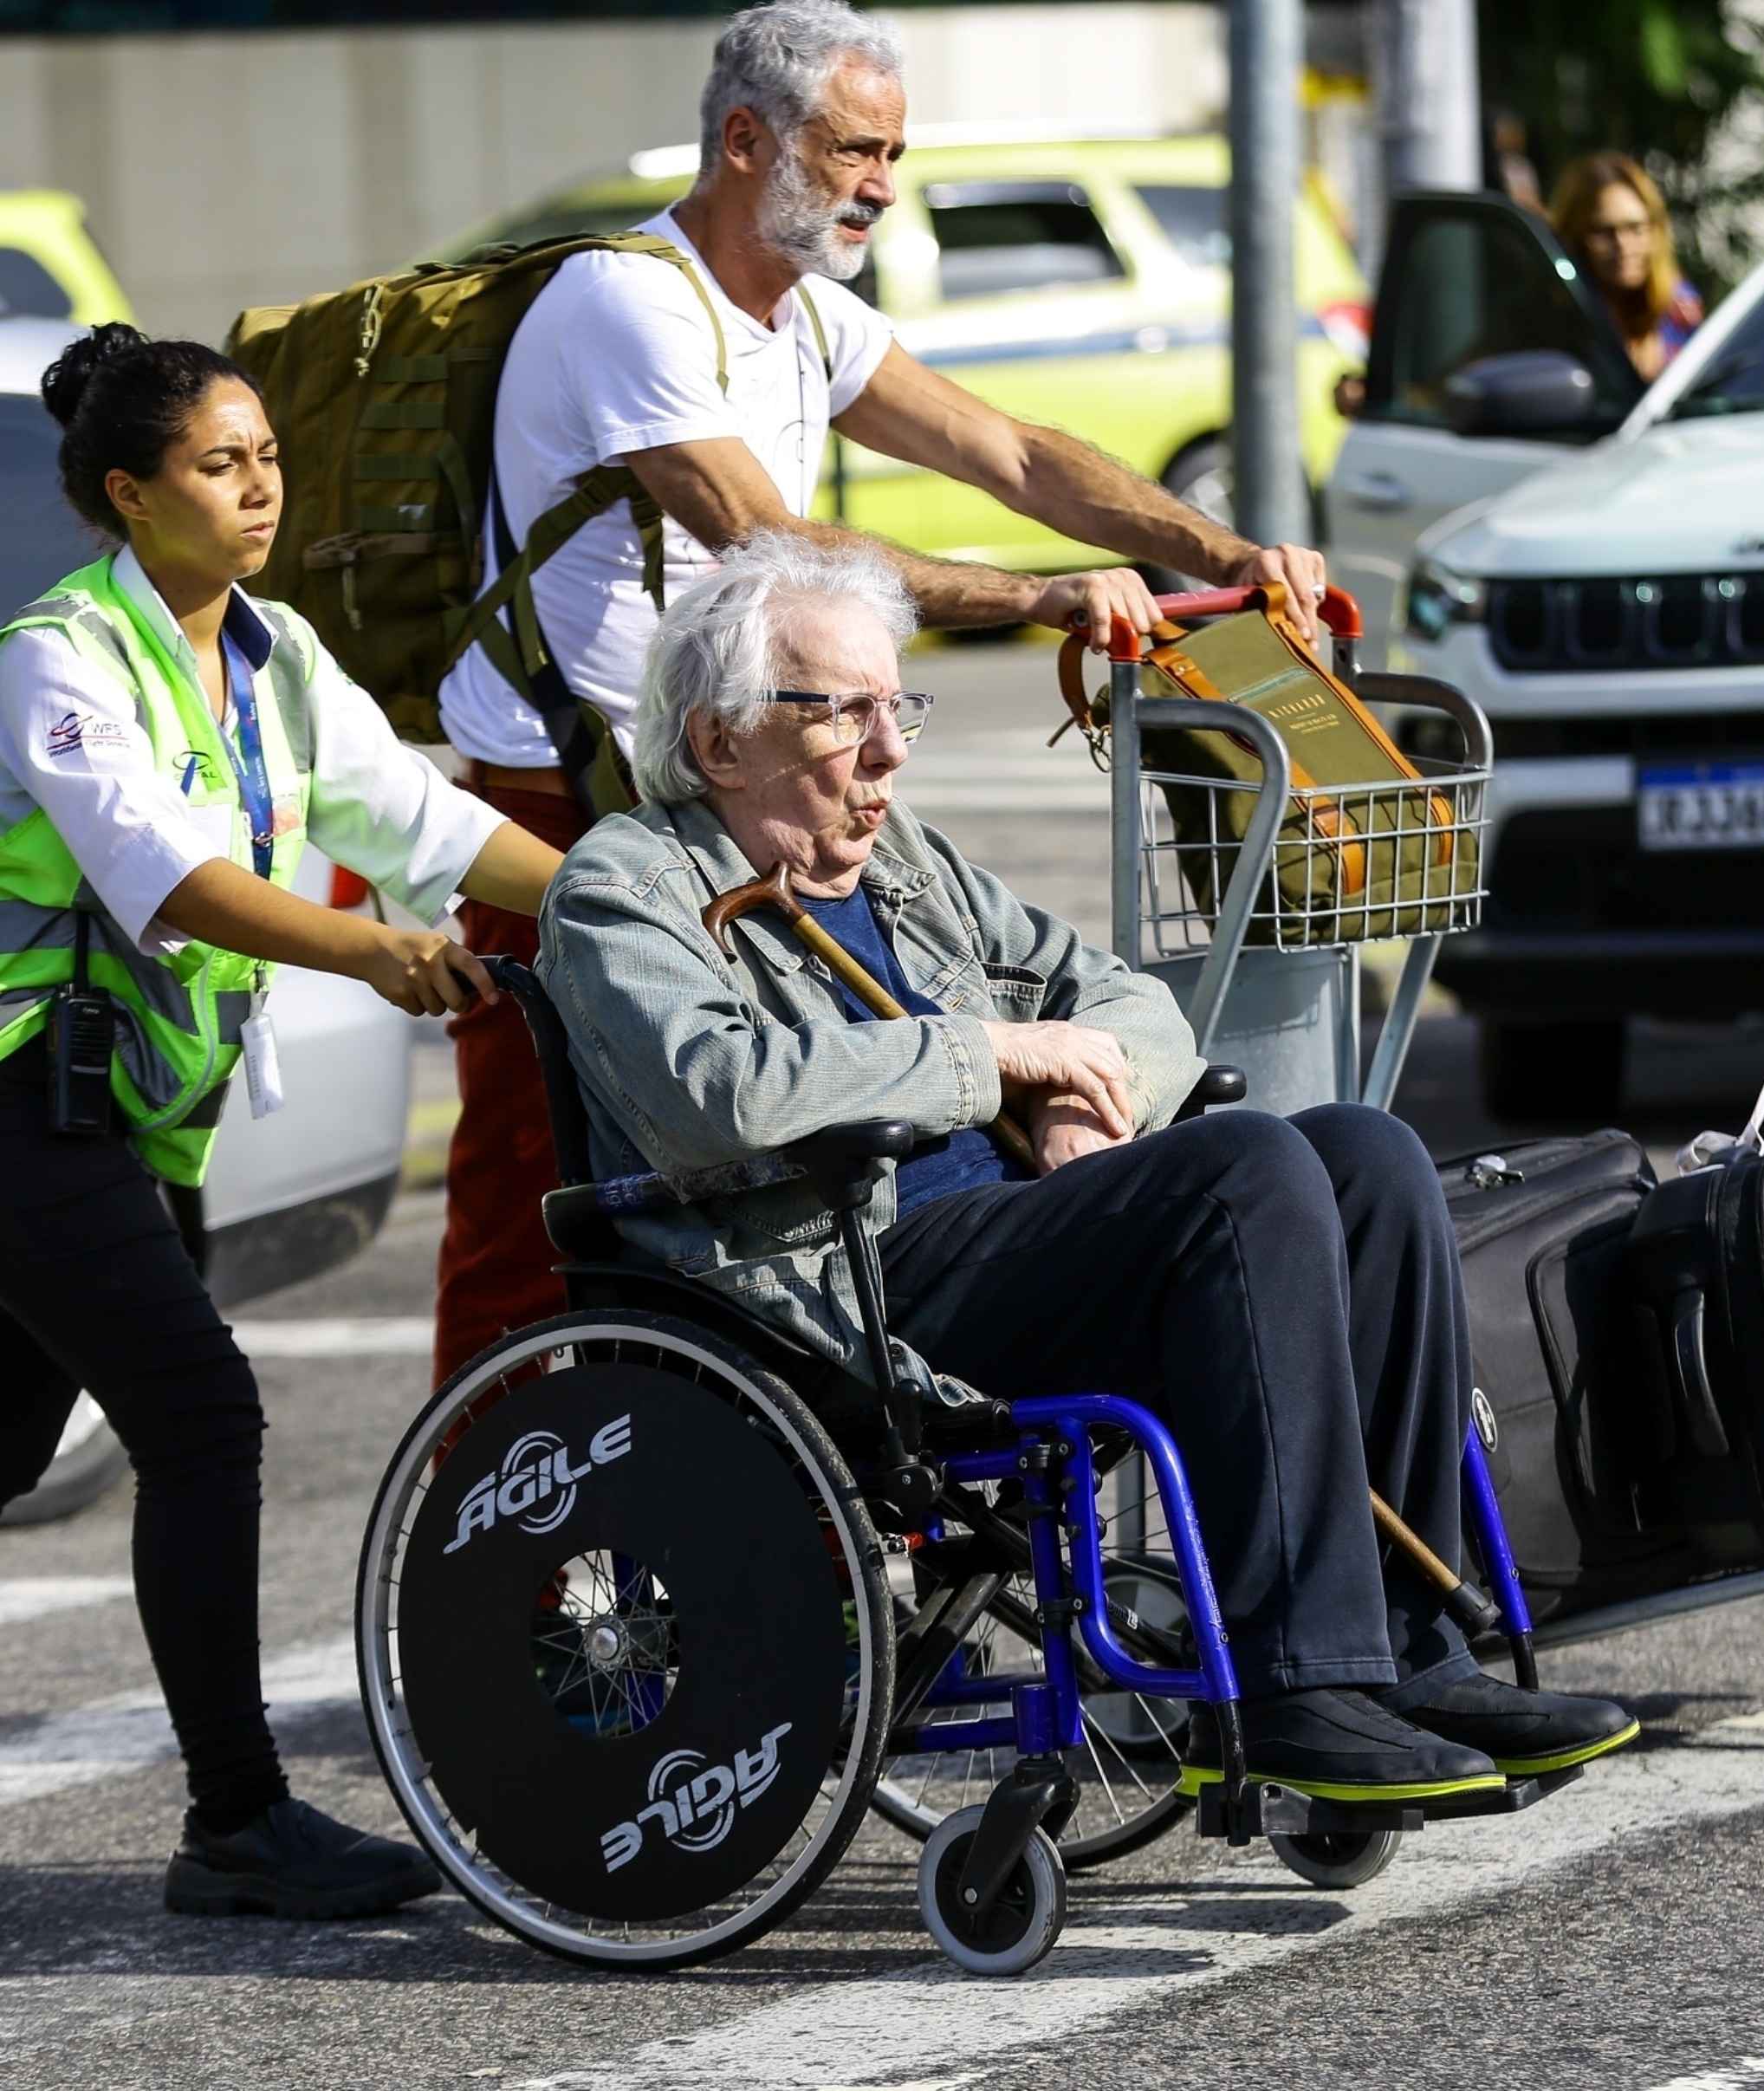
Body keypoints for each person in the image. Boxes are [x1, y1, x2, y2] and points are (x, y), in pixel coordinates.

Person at [537, 534, 1639, 1797]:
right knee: (1241, 1173)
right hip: (843, 1290)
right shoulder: (625, 886)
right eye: (847, 713)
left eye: (902, 707)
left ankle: (1404, 1649)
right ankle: (1296, 1685)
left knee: (1363, 1156)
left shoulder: (905, 866)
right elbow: (718, 1095)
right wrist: (992, 1057)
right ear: (723, 739)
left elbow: (1129, 1005)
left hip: (1019, 1237)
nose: (892, 750)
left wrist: (1082, 1103)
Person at [430, 0, 1333, 1388]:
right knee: (538, 1199)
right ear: (745, 139)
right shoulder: (630, 303)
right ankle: (505, 1541)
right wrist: (1039, 595)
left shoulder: (805, 318)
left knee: (801, 1148)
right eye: (855, 149)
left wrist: (1225, 554)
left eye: (894, 151)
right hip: (582, 803)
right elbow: (769, 547)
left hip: (754, 789)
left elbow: (1013, 453)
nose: (883, 185)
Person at [0, 325, 563, 1917]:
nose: (261, 489)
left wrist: (621, 895)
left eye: (267, 459)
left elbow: (425, 820)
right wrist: (374, 944)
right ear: (130, 490)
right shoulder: (58, 655)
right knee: (202, 1421)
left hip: (110, 1116)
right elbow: (165, 874)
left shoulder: (272, 653)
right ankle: (237, 1818)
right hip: (19, 1102)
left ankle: (236, 1819)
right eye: (218, 465)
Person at [1550, 151, 1703, 381]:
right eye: (1604, 231)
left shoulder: (1681, 309)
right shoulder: (1554, 322)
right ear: (1575, 236)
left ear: (1656, 230)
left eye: (1636, 228)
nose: (1623, 245)